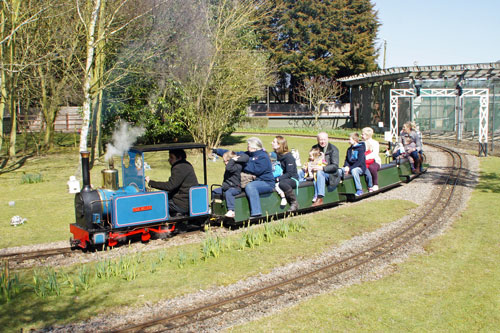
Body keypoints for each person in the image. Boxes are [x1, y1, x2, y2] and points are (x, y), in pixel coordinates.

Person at [213, 137, 274, 217]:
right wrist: (217, 151)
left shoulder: (263, 157)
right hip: (252, 180)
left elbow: (255, 170)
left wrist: (240, 163)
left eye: (248, 145)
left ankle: (256, 213)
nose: (247, 147)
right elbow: (234, 154)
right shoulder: (248, 154)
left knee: (250, 186)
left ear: (254, 147)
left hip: (266, 182)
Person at [145, 149, 198, 216]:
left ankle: (161, 223)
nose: (169, 160)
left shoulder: (179, 167)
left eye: (171, 157)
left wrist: (150, 182)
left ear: (179, 158)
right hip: (185, 200)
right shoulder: (185, 164)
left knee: (153, 204)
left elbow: (170, 186)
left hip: (181, 204)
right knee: (158, 198)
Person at [298, 132, 341, 207]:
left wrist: (322, 168)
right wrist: (307, 167)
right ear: (317, 140)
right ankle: (296, 191)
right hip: (314, 170)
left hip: (330, 174)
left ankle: (320, 198)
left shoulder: (333, 149)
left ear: (328, 139)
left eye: (324, 139)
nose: (322, 141)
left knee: (320, 173)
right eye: (321, 140)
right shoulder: (314, 147)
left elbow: (335, 166)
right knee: (299, 172)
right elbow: (311, 159)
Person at [271, 135, 299, 211]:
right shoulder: (274, 155)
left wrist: (278, 179)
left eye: (274, 142)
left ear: (279, 145)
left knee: (282, 183)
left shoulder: (289, 157)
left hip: (292, 178)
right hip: (279, 177)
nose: (271, 143)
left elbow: (290, 173)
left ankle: (294, 202)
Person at [212, 151, 243, 218]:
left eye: (227, 161)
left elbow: (229, 168)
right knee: (214, 191)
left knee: (229, 193)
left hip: (235, 188)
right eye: (224, 161)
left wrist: (232, 161)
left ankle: (231, 210)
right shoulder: (229, 167)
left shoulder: (237, 167)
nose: (225, 163)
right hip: (227, 187)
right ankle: (213, 208)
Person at [339, 132, 366, 197]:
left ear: (355, 140)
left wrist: (350, 169)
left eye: (350, 139)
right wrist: (346, 166)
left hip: (359, 167)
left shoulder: (361, 149)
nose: (349, 141)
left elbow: (359, 161)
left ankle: (359, 189)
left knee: (354, 171)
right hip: (350, 167)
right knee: (339, 170)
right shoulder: (349, 149)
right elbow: (347, 160)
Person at [361, 127, 382, 192]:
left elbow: (375, 154)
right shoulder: (361, 143)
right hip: (363, 161)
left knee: (371, 167)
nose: (361, 136)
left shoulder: (375, 143)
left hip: (374, 161)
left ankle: (375, 184)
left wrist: (365, 158)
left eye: (363, 134)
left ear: (367, 135)